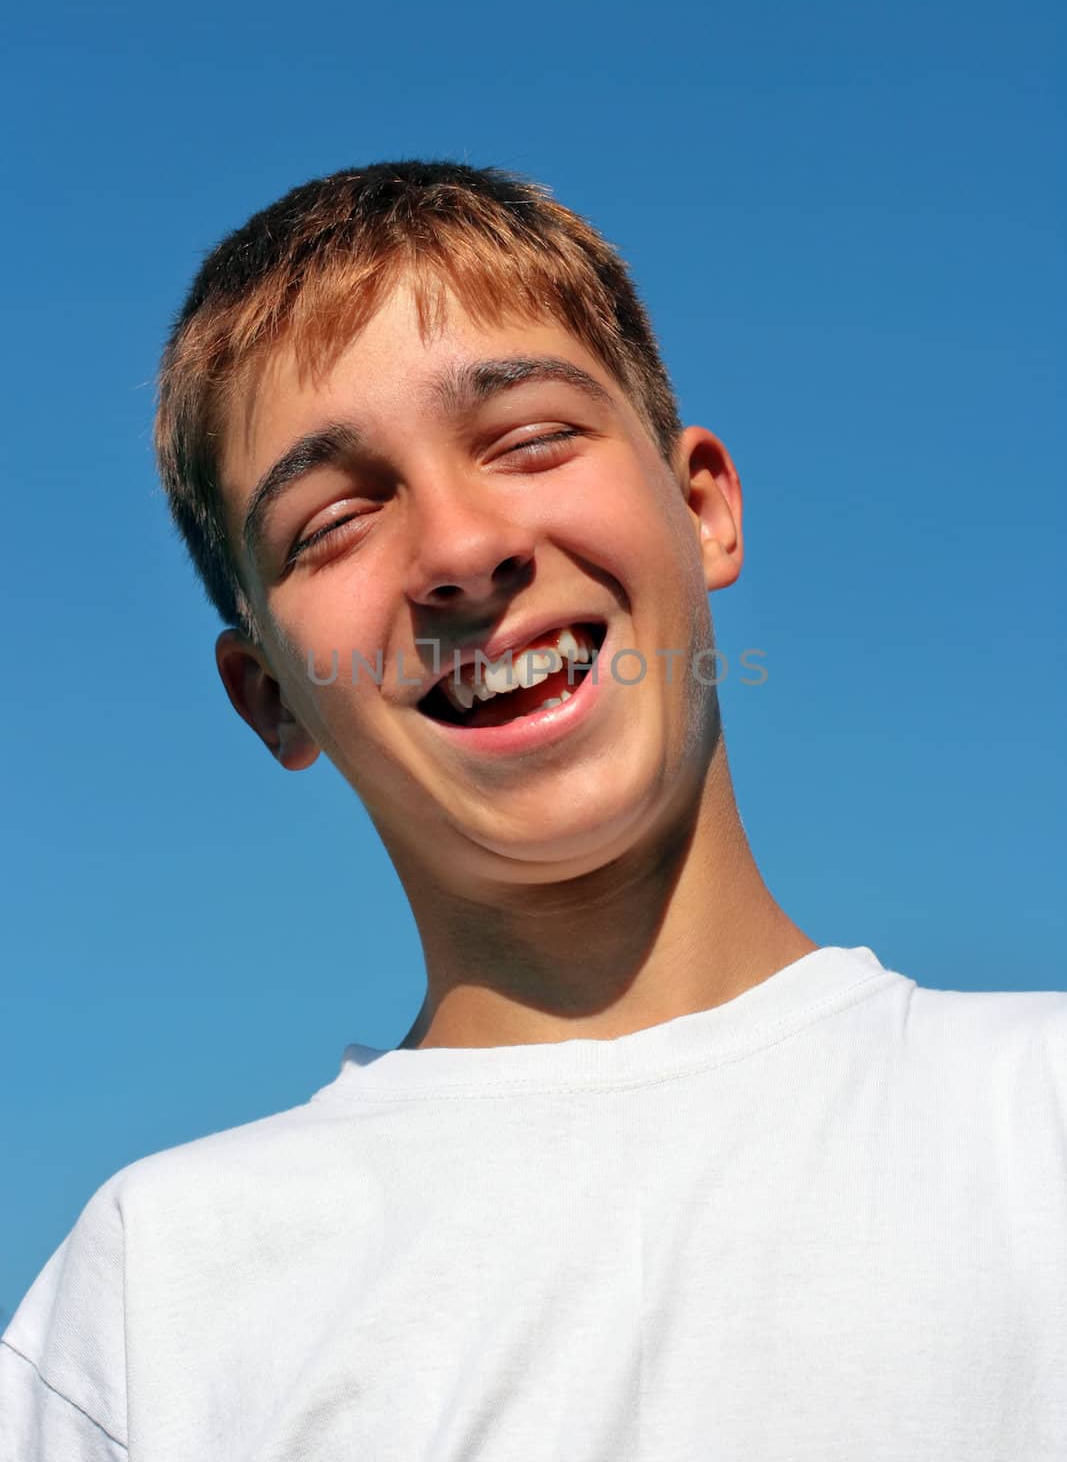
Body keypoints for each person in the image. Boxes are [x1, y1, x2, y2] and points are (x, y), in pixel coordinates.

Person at [2, 160, 1064, 1460]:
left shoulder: (1036, 1119)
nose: (459, 552)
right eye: (334, 521)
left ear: (703, 506)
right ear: (269, 696)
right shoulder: (150, 1305)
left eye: (531, 438)